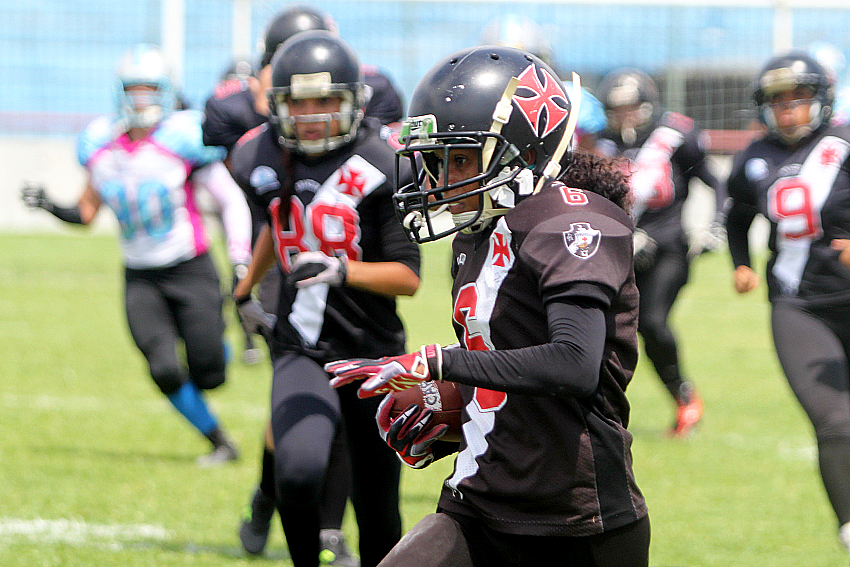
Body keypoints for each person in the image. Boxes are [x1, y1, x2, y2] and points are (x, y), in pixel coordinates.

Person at [326, 44, 650, 567]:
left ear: (523, 150)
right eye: (435, 160)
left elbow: (573, 363)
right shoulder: (479, 230)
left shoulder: (573, 223)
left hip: (575, 521)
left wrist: (439, 363)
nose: (441, 179)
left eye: (459, 159)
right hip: (477, 499)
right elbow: (507, 357)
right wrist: (451, 399)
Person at [202, 6, 406, 562]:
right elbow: (279, 218)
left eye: (325, 101)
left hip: (372, 351)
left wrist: (343, 269)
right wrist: (248, 285)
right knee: (299, 469)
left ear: (352, 100)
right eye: (299, 102)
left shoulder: (383, 160)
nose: (312, 116)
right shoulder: (259, 151)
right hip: (302, 343)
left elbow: (408, 278)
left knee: (379, 510)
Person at [19, 44, 252, 466]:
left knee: (210, 374)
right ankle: (219, 441)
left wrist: (239, 257)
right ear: (119, 92)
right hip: (140, 276)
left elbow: (230, 200)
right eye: (133, 89)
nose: (141, 99)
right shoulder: (101, 147)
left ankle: (221, 347)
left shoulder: (182, 138)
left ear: (165, 92)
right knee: (163, 368)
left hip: (190, 267)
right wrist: (50, 205)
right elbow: (87, 212)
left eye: (150, 89)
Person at [725, 50, 850, 558]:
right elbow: (737, 216)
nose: (789, 109)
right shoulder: (755, 157)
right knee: (836, 420)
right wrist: (741, 262)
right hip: (799, 306)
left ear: (820, 100)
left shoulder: (844, 144)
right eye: (779, 101)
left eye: (799, 98)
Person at [594, 67, 726, 437]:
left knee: (652, 322)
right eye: (617, 109)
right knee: (605, 331)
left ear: (648, 105)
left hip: (669, 248)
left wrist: (716, 223)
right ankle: (602, 411)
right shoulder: (601, 143)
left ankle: (684, 398)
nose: (625, 116)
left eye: (631, 107)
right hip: (619, 254)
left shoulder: (673, 136)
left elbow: (713, 180)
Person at [478, 13, 607, 152]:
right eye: (502, 62)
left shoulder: (574, 99)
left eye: (523, 62)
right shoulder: (476, 98)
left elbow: (590, 156)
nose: (513, 71)